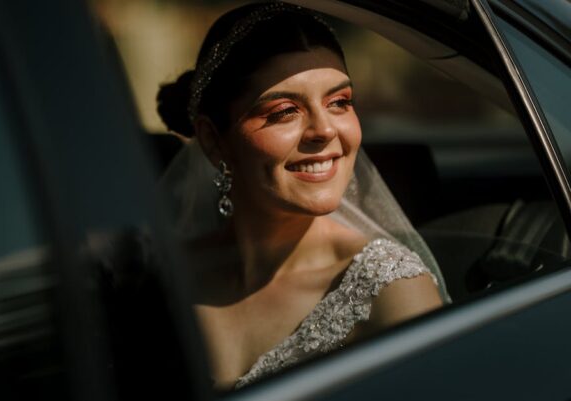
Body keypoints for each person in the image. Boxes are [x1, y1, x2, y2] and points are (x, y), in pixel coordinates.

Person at [156, 1, 447, 390]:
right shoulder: (164, 277)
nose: (324, 131)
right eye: (284, 111)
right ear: (213, 140)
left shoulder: (390, 289)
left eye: (339, 102)